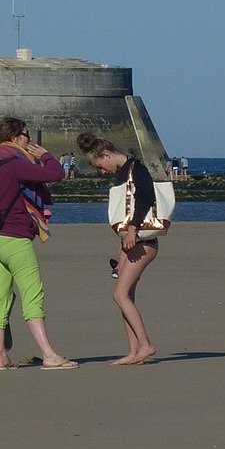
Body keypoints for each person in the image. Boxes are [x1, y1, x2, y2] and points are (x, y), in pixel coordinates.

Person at [0, 118, 76, 370]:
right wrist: (46, 155)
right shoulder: (12, 165)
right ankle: (49, 355)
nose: (29, 140)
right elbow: (56, 174)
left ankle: (0, 357)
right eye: (25, 135)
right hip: (14, 237)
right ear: (13, 138)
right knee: (32, 295)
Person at [76, 133, 163, 365]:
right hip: (130, 241)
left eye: (100, 166)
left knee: (120, 294)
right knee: (127, 296)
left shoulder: (136, 168)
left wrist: (133, 229)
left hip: (143, 240)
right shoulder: (123, 173)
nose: (102, 172)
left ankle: (146, 345)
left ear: (106, 155)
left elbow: (146, 198)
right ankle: (134, 352)